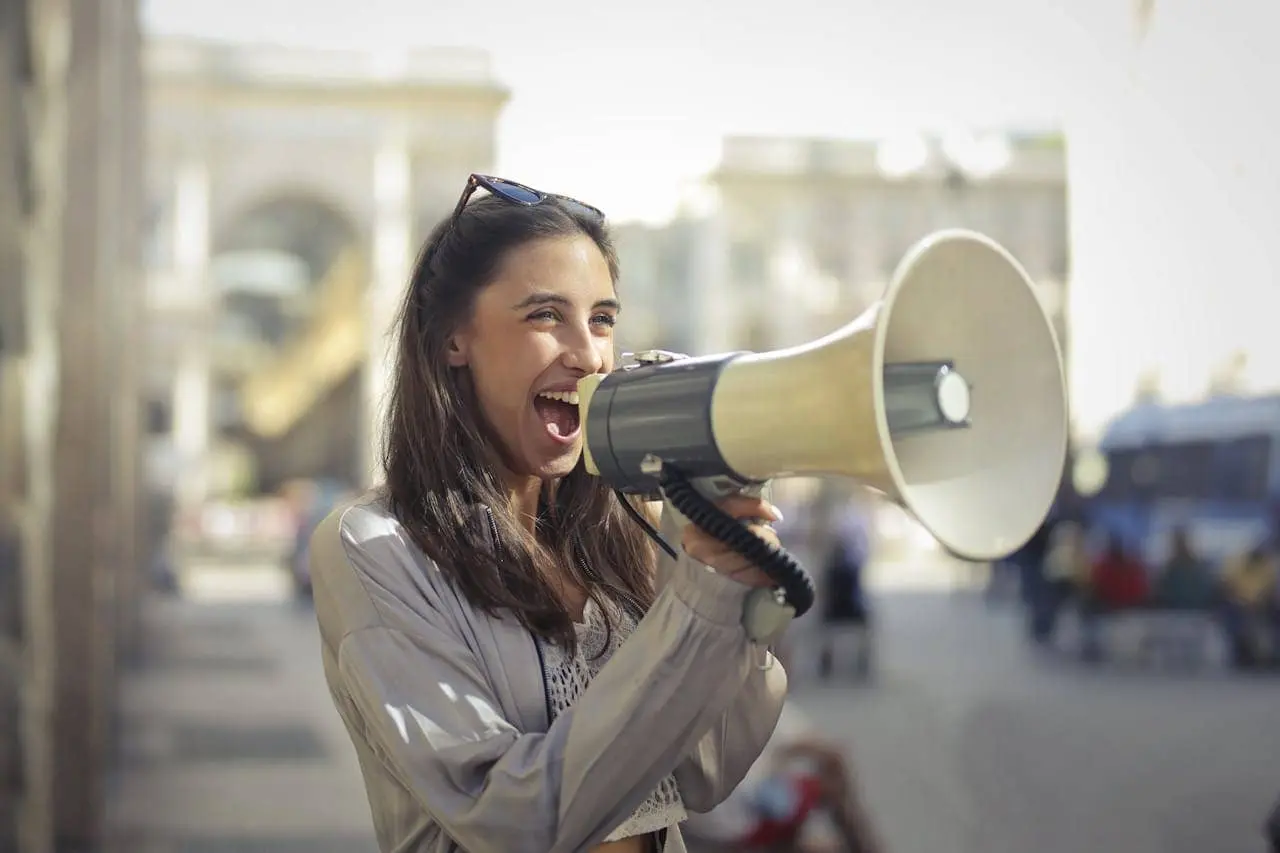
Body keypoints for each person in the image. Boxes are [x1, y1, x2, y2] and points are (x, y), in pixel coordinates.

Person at [308, 174, 791, 853]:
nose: (589, 353)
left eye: (602, 319)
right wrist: (696, 609)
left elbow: (705, 769)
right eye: (544, 315)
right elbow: (511, 819)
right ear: (453, 339)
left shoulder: (626, 528)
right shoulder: (373, 547)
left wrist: (731, 594)